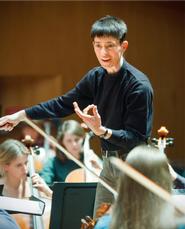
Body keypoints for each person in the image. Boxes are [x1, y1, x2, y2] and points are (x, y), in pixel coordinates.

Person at [0, 15, 153, 213]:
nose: (103, 52)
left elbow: (136, 139)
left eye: (109, 45)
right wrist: (22, 115)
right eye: (98, 45)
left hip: (135, 165)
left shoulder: (138, 86)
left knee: (132, 222)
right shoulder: (96, 77)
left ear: (123, 46)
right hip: (110, 162)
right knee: (99, 222)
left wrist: (102, 131)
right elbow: (62, 104)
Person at [94, 145, 185, 229]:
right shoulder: (178, 224)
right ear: (164, 181)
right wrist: (177, 178)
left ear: (125, 182)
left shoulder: (105, 224)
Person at [0, 139, 52, 228]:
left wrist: (48, 191)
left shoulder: (35, 185)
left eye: (26, 163)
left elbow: (62, 209)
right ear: (6, 166)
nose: (25, 169)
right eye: (19, 165)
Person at [40, 119, 85, 185]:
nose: (74, 144)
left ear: (83, 138)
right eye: (69, 141)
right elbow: (45, 184)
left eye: (77, 139)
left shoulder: (90, 159)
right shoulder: (53, 163)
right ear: (62, 142)